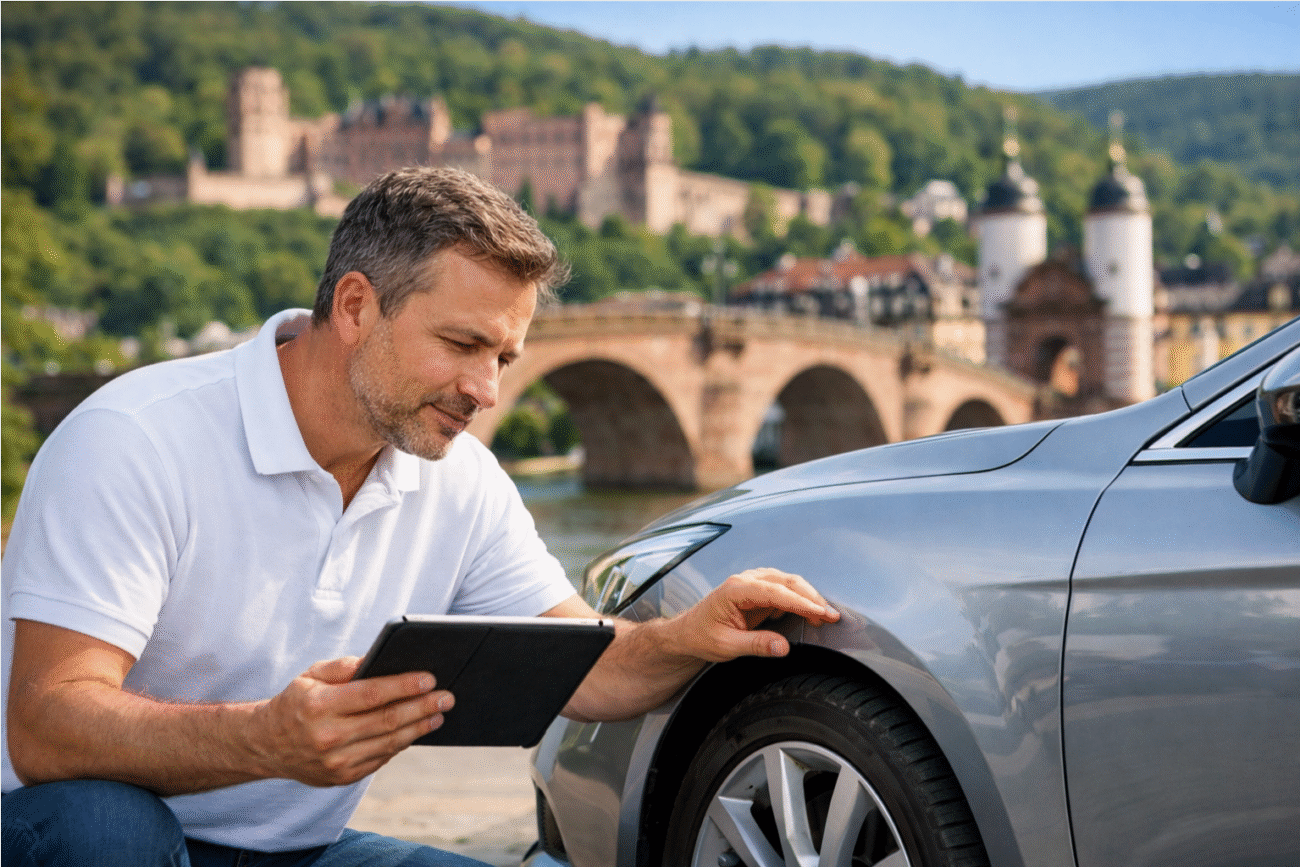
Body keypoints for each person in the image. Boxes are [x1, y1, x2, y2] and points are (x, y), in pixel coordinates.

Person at [0, 167, 839, 866]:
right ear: (356, 308)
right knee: (108, 829)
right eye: (464, 345)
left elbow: (583, 667)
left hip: (299, 853)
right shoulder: (136, 437)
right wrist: (263, 737)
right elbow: (45, 725)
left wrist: (685, 637)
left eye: (504, 357)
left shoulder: (458, 476)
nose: (489, 390)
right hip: (72, 832)